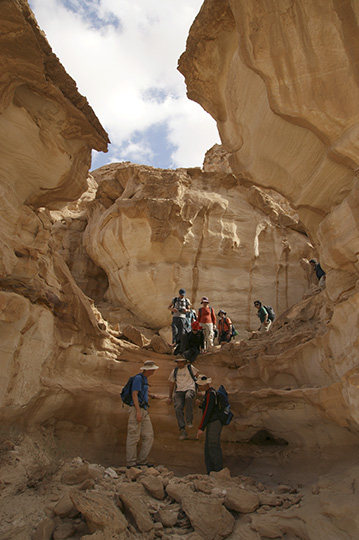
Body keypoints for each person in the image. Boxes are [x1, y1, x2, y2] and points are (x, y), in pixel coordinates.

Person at [126, 360, 159, 468]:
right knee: (133, 436)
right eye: (153, 369)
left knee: (149, 436)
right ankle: (131, 463)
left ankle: (142, 461)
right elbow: (134, 395)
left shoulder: (144, 379)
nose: (154, 371)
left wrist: (152, 396)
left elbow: (141, 392)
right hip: (137, 409)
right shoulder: (138, 378)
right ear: (148, 370)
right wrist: (138, 412)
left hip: (144, 409)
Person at [196, 374, 223, 474]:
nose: (199, 387)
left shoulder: (210, 394)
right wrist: (201, 405)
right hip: (213, 422)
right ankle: (211, 472)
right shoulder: (209, 394)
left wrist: (201, 428)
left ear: (207, 385)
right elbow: (208, 408)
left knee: (213, 446)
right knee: (208, 448)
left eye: (201, 385)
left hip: (214, 422)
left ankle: (218, 472)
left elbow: (207, 412)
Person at [167, 357, 199, 440]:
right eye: (178, 362)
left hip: (189, 388)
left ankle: (189, 420)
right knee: (178, 407)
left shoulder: (190, 368)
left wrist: (199, 389)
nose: (180, 364)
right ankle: (182, 429)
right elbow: (172, 383)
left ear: (184, 362)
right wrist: (170, 397)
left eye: (181, 362)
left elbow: (197, 376)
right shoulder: (175, 371)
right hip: (179, 391)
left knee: (188, 397)